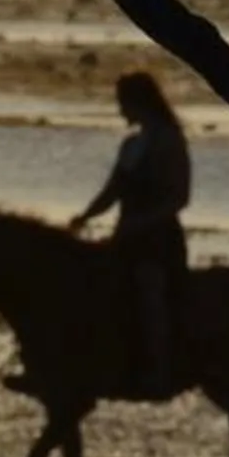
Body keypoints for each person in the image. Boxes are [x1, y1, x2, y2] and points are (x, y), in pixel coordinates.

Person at [70, 69, 192, 391]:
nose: (120, 110)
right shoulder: (131, 145)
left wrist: (141, 223)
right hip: (127, 237)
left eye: (123, 103)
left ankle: (158, 367)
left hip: (158, 240)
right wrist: (83, 217)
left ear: (139, 103)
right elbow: (111, 192)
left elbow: (179, 198)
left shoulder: (170, 141)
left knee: (149, 293)